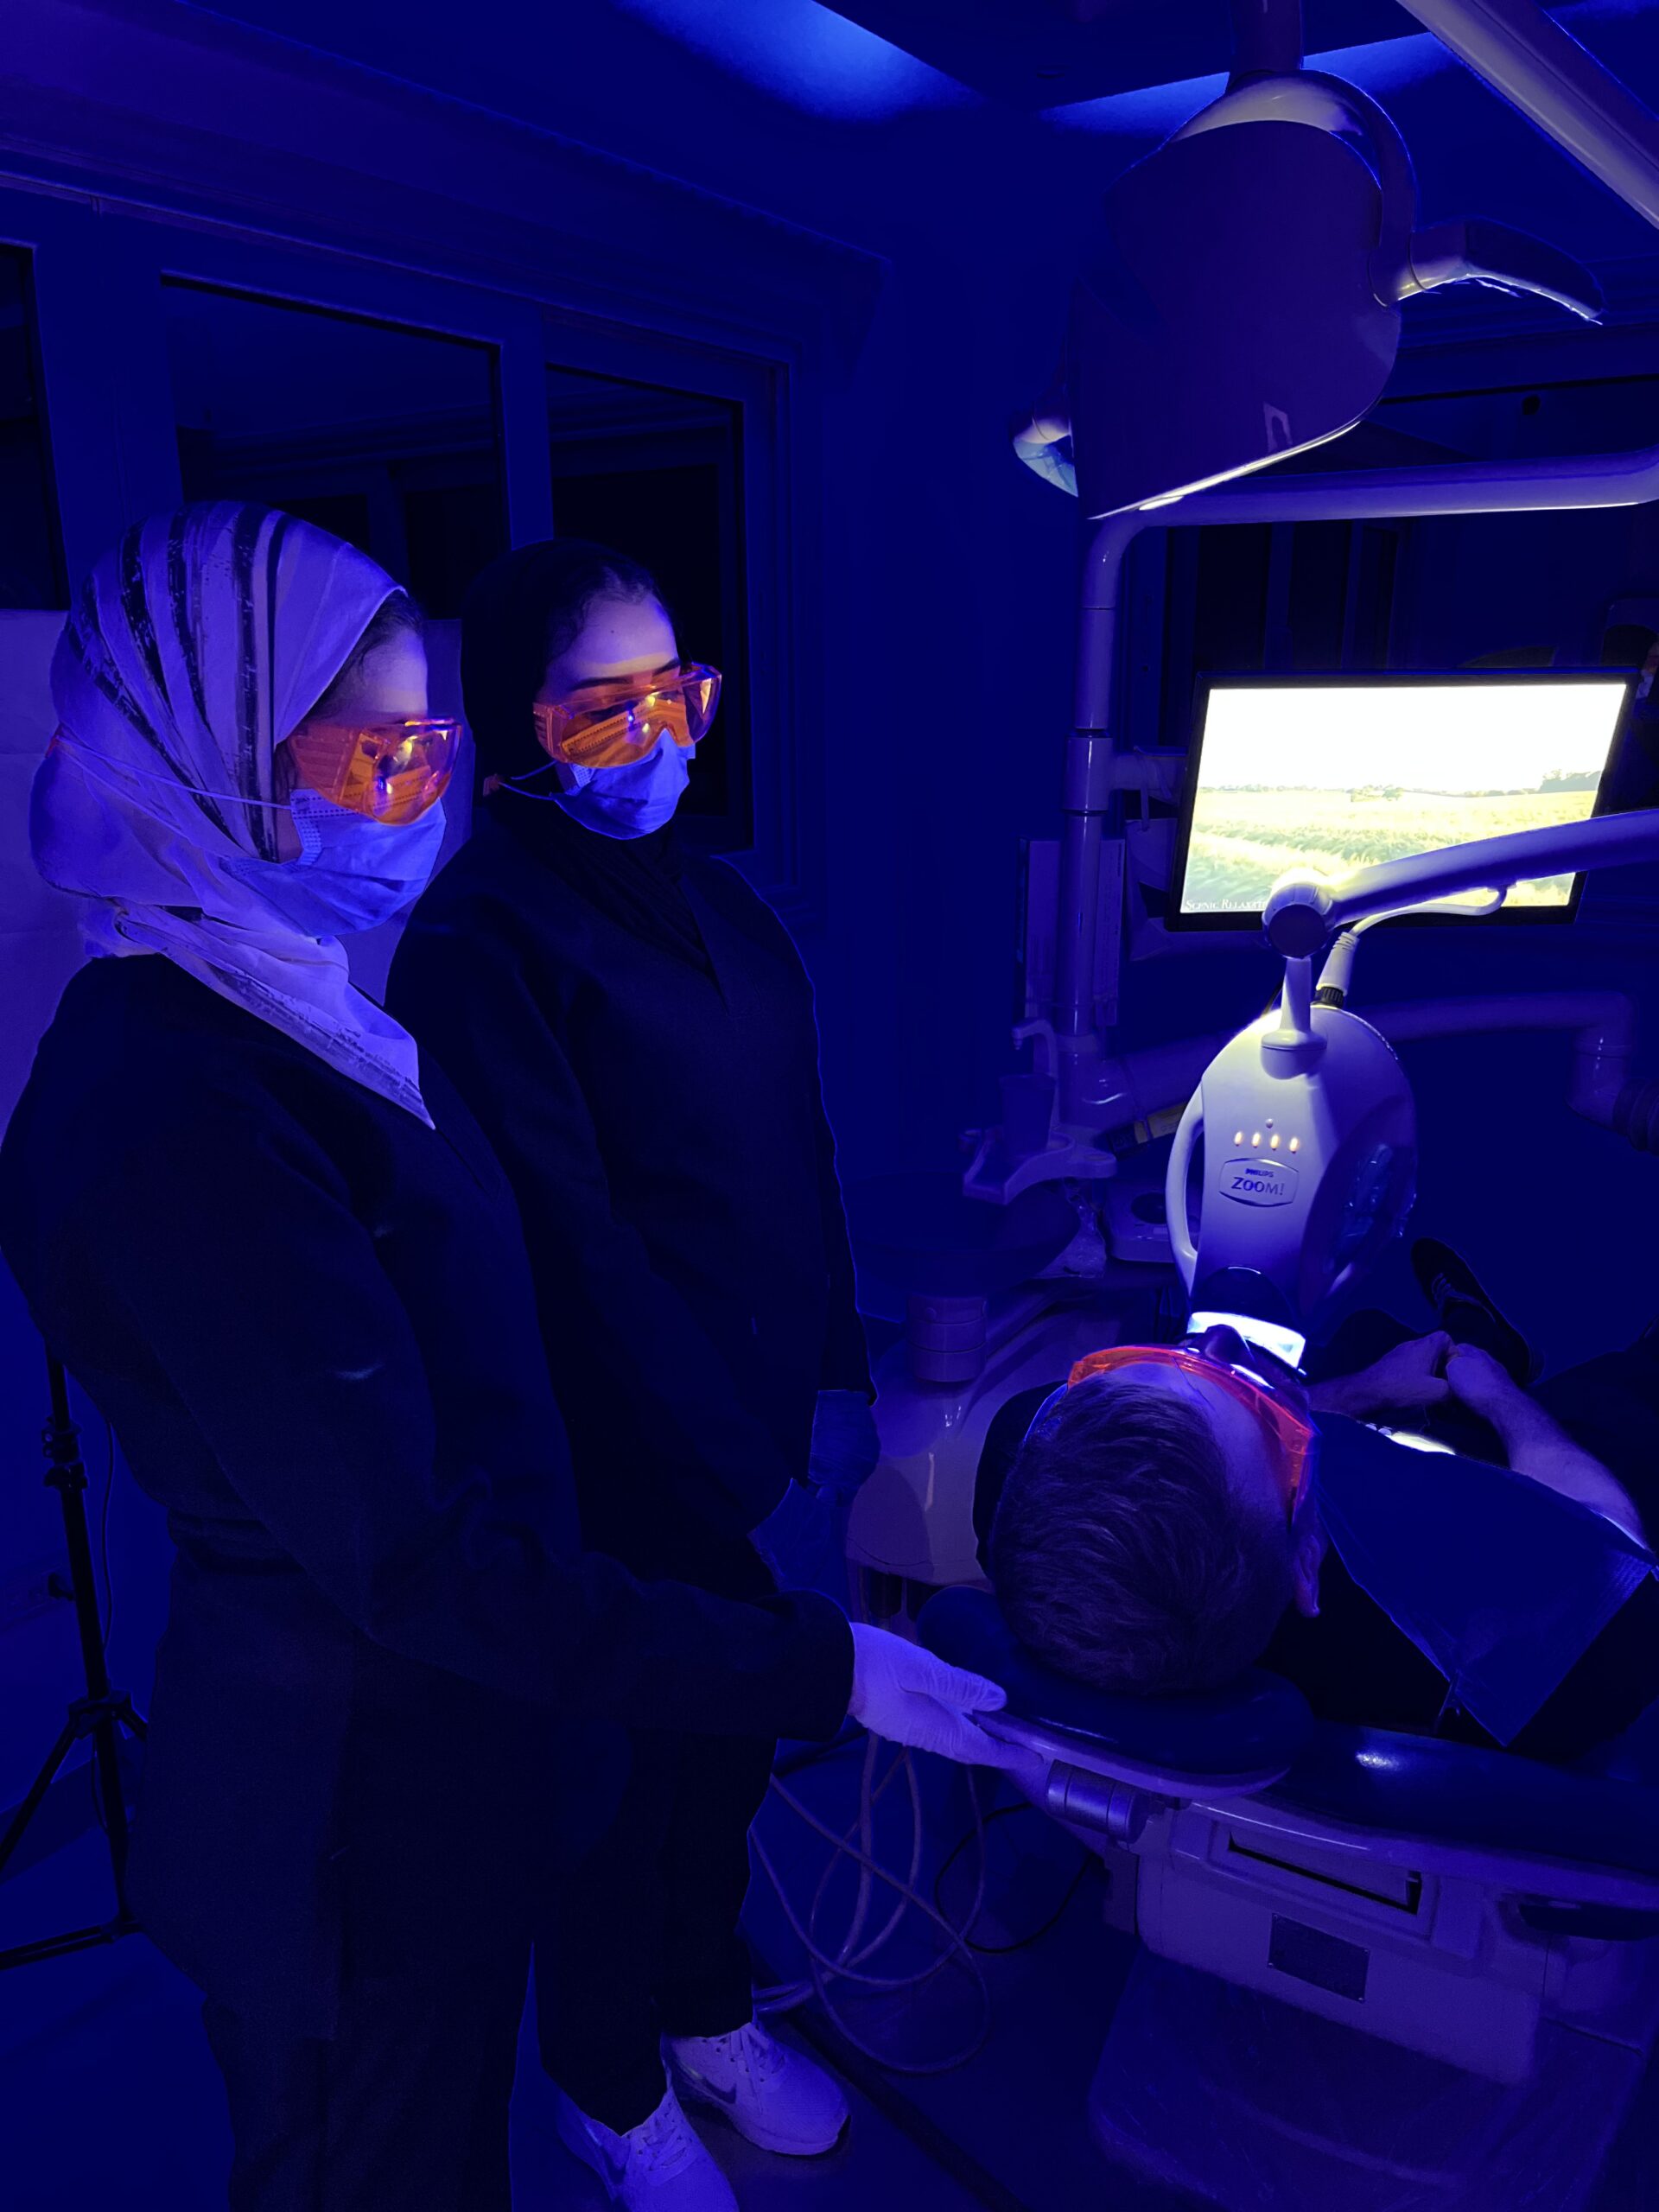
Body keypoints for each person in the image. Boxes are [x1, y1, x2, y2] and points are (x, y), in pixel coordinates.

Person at [0, 505, 1030, 2212]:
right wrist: (824, 1664)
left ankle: (665, 2018)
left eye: (429, 751)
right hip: (350, 1800)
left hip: (453, 1736)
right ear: (190, 756)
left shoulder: (288, 1004)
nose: (416, 799)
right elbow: (411, 1543)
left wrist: (813, 1419)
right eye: (369, 751)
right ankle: (613, 2074)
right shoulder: (174, 1105)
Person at [384, 539, 880, 2210]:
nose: (662, 740)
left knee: (723, 1760)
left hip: (748, 1434)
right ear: (517, 724)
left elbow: (798, 1152)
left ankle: (703, 2007)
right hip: (610, 1460)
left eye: (679, 694)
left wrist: (836, 1379)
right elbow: (576, 1252)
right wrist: (731, 1476)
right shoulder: (479, 943)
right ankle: (604, 2079)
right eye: (610, 713)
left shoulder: (720, 897)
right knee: (621, 1779)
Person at [984, 1250, 1659, 1769]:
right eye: (1246, 1399)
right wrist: (1503, 1400)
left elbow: (1216, 1457)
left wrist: (1365, 1390)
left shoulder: (1020, 1461)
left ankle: (1471, 1335)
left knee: (1369, 1334)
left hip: (1372, 1451)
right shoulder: (1512, 1634)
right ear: (1306, 1562)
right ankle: (1495, 1353)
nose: (1219, 1341)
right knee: (1615, 1397)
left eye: (1167, 1360)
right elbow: (1610, 1541)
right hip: (1551, 1473)